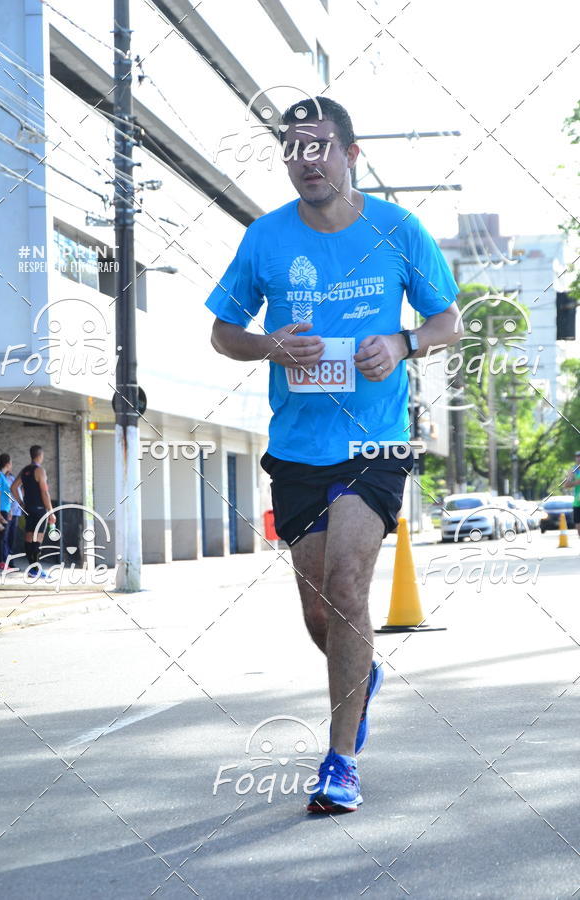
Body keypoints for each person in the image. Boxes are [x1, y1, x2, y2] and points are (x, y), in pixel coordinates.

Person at [205, 97, 462, 814]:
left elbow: (450, 320)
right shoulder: (265, 239)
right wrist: (269, 346)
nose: (306, 160)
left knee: (348, 583)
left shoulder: (398, 230)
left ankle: (340, 760)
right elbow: (224, 332)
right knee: (321, 611)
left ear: (352, 155)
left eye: (320, 146)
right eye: (294, 148)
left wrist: (405, 342)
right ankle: (361, 677)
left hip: (374, 442)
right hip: (296, 449)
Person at [10, 445, 55, 578]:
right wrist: (51, 511)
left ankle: (32, 569)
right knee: (37, 540)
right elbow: (45, 492)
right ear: (40, 456)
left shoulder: (24, 470)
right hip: (40, 509)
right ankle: (36, 570)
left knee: (29, 539)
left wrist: (21, 503)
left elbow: (13, 487)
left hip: (28, 508)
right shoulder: (40, 470)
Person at [4, 469, 23, 570]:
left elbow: (18, 490)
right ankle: (5, 561)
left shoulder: (12, 478)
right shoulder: (4, 479)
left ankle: (11, 562)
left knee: (11, 538)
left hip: (16, 512)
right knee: (6, 538)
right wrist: (10, 510)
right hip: (9, 512)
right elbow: (6, 495)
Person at [563, 450, 580, 540]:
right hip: (577, 503)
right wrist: (575, 482)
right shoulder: (574, 471)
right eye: (577, 456)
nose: (578, 458)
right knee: (578, 528)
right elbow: (566, 485)